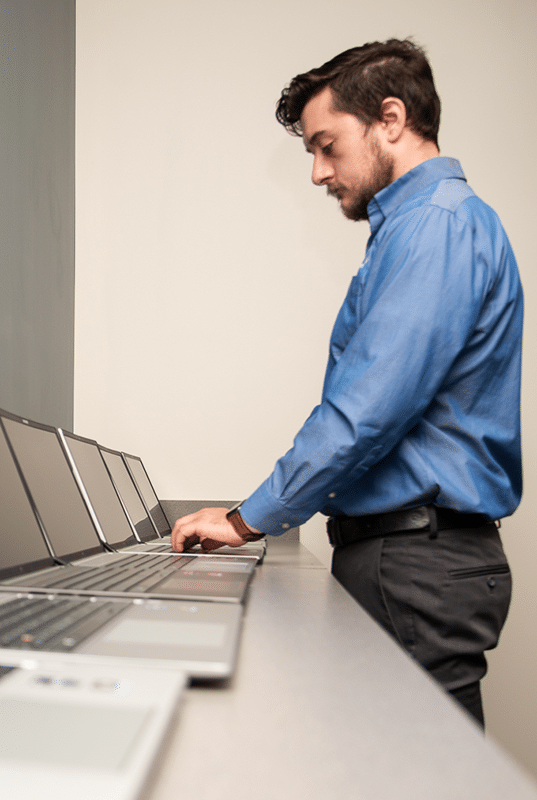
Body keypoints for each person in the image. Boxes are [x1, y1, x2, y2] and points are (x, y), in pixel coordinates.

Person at [171, 38, 523, 726]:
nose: (316, 172)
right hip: (412, 557)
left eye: (326, 145)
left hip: (414, 561)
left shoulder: (433, 226)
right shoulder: (424, 227)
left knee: (420, 777)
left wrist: (246, 520)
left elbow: (365, 412)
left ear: (389, 119)